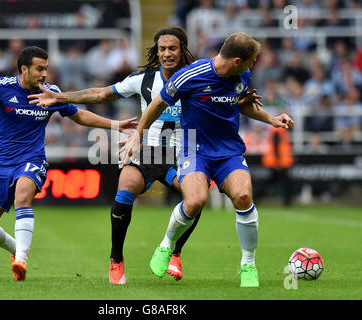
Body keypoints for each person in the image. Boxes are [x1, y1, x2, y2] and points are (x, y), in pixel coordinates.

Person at [119, 32, 294, 288]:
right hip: (194, 149)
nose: (252, 66)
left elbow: (239, 103)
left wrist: (272, 119)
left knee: (244, 197)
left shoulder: (241, 75)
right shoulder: (191, 75)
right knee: (196, 200)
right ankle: (167, 244)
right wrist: (138, 135)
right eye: (250, 61)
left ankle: (248, 264)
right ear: (236, 60)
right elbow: (157, 104)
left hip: (228, 151)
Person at [28, 27, 201, 284]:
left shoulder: (197, 79)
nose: (167, 53)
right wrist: (60, 97)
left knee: (195, 199)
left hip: (184, 150)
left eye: (172, 48)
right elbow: (100, 93)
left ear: (182, 50)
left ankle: (175, 253)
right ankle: (116, 260)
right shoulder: (143, 80)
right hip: (147, 150)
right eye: (162, 49)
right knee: (124, 192)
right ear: (156, 51)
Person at [0, 46, 137, 282]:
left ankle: (21, 260)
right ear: (24, 69)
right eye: (39, 69)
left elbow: (78, 115)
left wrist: (115, 124)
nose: (44, 74)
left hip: (32, 159)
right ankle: (15, 249)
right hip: (1, 165)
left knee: (22, 196)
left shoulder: (51, 92)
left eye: (46, 69)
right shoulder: (1, 87)